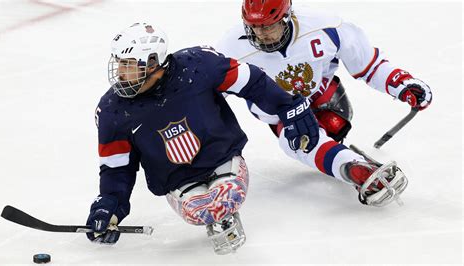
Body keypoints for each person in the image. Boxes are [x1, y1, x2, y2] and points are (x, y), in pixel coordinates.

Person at [86, 22, 319, 254]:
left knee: (223, 201)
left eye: (128, 64)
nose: (120, 72)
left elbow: (252, 82)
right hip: (179, 183)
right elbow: (117, 168)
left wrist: (288, 106)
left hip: (222, 162)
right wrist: (110, 205)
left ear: (153, 62)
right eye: (119, 63)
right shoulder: (112, 110)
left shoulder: (198, 66)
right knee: (204, 211)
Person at [216, 0, 432, 207]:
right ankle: (352, 168)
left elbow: (369, 64)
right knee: (299, 141)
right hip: (282, 114)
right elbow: (211, 96)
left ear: (287, 17)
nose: (260, 34)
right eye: (253, 27)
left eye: (268, 26)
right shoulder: (230, 50)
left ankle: (339, 151)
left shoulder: (325, 26)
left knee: (334, 125)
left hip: (323, 97)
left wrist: (401, 83)